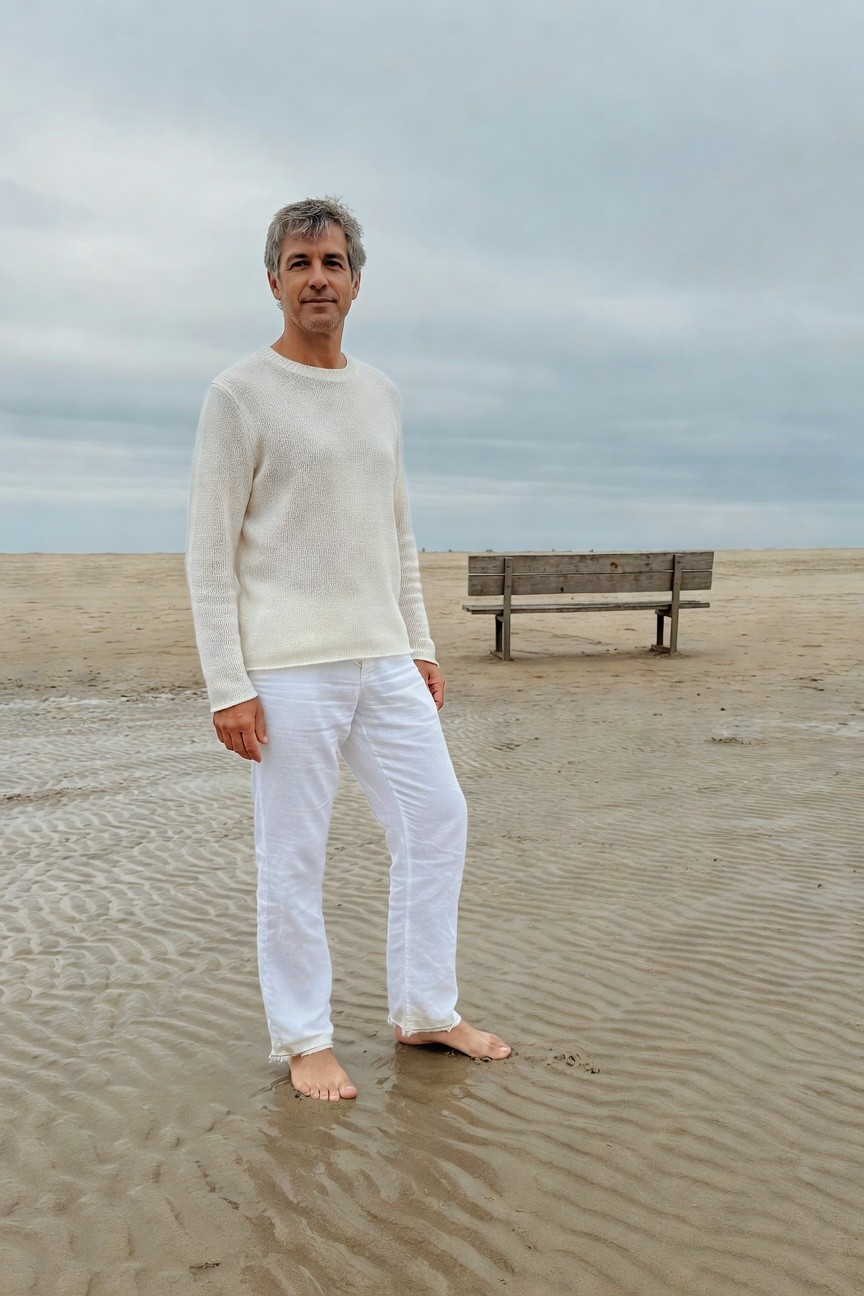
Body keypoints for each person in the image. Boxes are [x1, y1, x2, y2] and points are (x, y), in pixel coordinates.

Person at [185, 197, 511, 1101]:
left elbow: (397, 535)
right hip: (287, 670)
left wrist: (422, 645)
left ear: (356, 283)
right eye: (299, 263)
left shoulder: (380, 394)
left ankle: (425, 1012)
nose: (317, 277)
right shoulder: (238, 395)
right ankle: (304, 1039)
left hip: (385, 657)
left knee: (438, 820)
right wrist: (227, 686)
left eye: (332, 262)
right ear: (273, 281)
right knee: (294, 856)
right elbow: (209, 554)